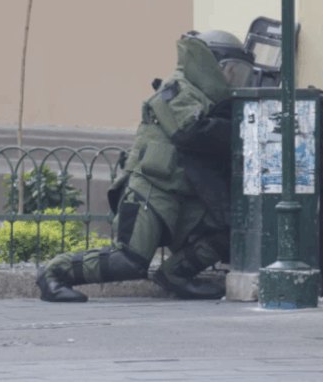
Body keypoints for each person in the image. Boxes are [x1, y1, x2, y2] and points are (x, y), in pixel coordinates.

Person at [36, 30, 257, 302]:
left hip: (186, 193)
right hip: (153, 188)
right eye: (231, 71)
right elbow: (192, 131)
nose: (234, 80)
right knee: (130, 260)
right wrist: (245, 127)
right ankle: (53, 273)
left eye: (240, 74)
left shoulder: (206, 97)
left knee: (229, 231)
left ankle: (175, 275)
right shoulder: (177, 88)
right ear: (210, 64)